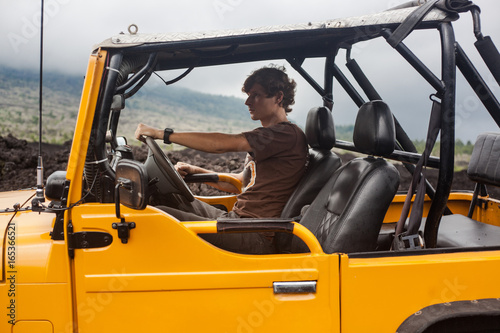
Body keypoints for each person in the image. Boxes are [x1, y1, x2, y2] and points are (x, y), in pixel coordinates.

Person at [135, 65, 308, 253]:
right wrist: (198, 171)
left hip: (255, 233)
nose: (248, 102)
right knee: (166, 199)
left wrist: (161, 134)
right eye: (248, 95)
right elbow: (241, 182)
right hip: (236, 220)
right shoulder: (272, 137)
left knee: (155, 218)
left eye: (256, 95)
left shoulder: (285, 134)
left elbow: (222, 144)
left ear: (279, 97)